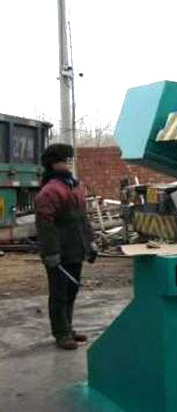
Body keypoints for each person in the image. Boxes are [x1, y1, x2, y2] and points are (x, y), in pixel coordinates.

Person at [35, 144, 97, 350]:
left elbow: (83, 219)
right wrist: (51, 253)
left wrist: (90, 242)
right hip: (59, 253)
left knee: (71, 291)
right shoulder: (50, 191)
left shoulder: (74, 186)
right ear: (53, 163)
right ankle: (61, 334)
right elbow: (45, 225)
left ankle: (68, 329)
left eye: (70, 158)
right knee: (59, 294)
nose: (69, 162)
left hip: (75, 250)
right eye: (65, 159)